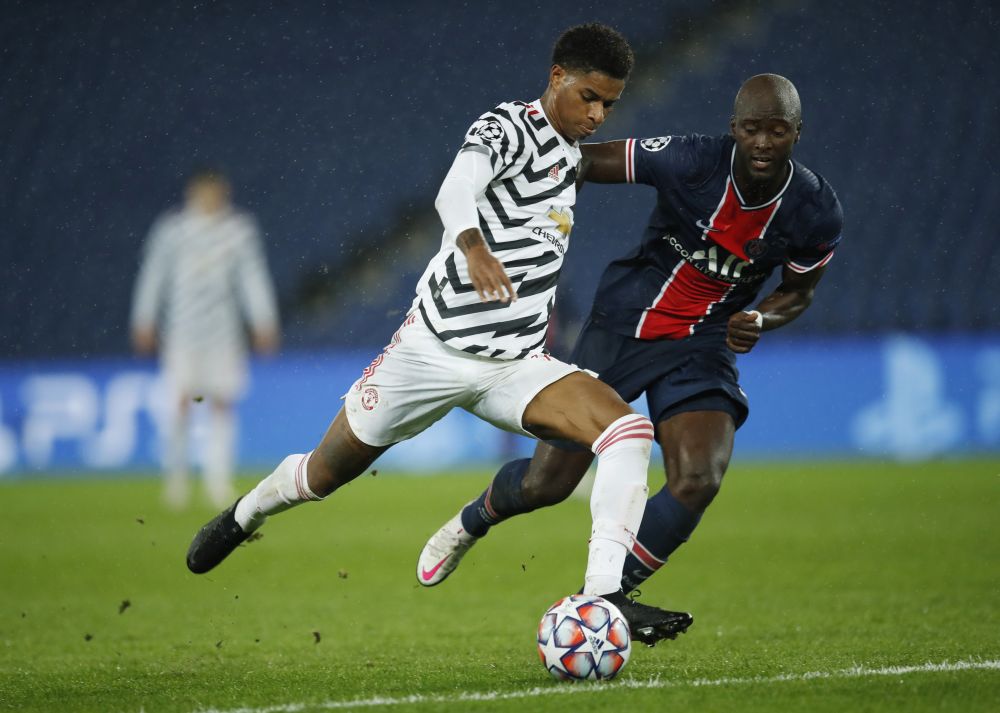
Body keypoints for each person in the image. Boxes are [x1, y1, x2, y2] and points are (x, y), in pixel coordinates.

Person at [185, 23, 692, 646]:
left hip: (515, 365)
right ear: (557, 76)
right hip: (429, 353)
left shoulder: (573, 156)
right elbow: (455, 190)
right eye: (588, 97)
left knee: (628, 432)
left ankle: (604, 597)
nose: (597, 115)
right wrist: (474, 247)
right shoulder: (507, 127)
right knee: (321, 476)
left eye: (608, 105)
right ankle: (246, 513)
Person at [418, 74, 844, 616]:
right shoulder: (692, 160)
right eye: (752, 129)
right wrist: (528, 215)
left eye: (777, 131)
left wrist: (761, 316)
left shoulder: (815, 209)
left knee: (698, 478)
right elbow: (583, 162)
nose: (763, 143)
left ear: (798, 133)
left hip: (704, 341)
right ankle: (471, 521)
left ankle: (605, 604)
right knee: (546, 484)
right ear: (733, 128)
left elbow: (799, 291)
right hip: (623, 326)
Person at [131, 169, 280, 509]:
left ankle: (218, 481)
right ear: (192, 193)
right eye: (205, 192)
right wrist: (144, 318)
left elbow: (253, 277)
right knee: (181, 402)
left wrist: (263, 320)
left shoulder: (238, 230)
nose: (211, 198)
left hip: (224, 334)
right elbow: (154, 275)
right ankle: (176, 482)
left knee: (223, 403)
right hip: (181, 332)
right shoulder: (172, 230)